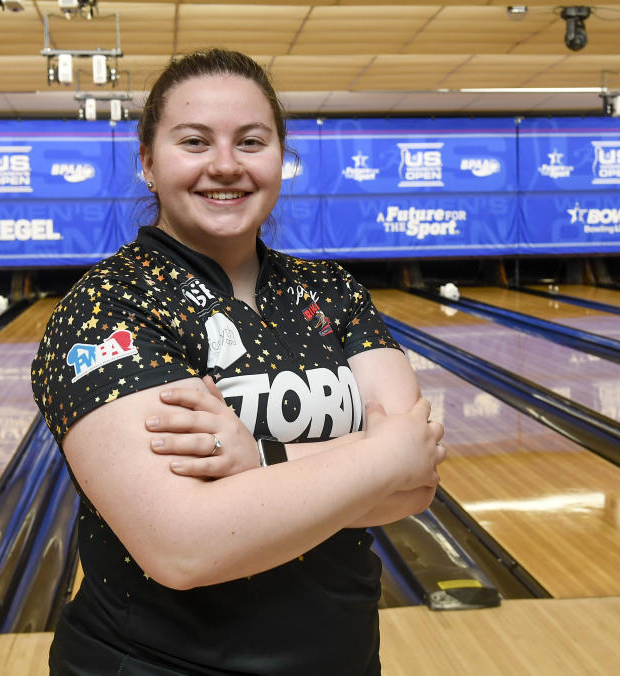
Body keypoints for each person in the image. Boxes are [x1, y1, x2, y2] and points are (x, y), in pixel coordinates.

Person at [31, 48, 445, 675]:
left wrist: (256, 460)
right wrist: (380, 453)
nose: (225, 166)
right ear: (148, 161)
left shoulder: (330, 290)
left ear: (281, 157)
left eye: (251, 142)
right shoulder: (109, 307)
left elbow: (418, 483)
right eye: (194, 141)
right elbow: (182, 545)